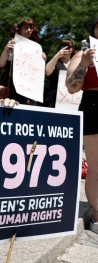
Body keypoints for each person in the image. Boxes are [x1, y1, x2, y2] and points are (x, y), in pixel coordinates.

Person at [66, 17, 98, 234]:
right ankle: (97, 216)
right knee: (96, 168)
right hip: (95, 106)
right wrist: (85, 64)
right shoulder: (84, 53)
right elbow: (71, 87)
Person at [0, 17, 46, 104]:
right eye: (25, 27)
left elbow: (37, 72)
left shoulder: (36, 48)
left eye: (31, 28)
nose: (29, 30)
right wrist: (6, 49)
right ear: (19, 29)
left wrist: (42, 60)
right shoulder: (11, 42)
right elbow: (1, 64)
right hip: (12, 86)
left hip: (29, 88)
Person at [44, 37, 76, 107]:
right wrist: (57, 56)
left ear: (72, 49)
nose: (65, 48)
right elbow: (47, 71)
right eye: (63, 45)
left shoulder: (75, 64)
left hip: (70, 101)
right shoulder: (56, 62)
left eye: (68, 46)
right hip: (53, 100)